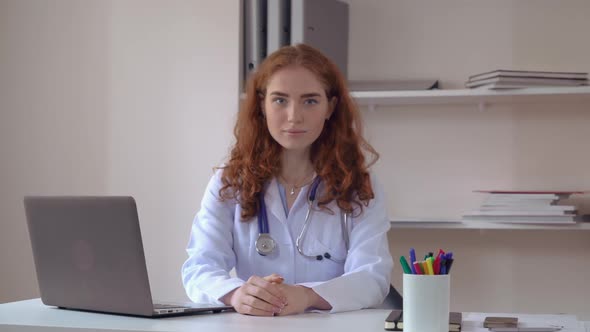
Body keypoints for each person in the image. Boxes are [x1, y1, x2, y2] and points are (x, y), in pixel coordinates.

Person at [181, 44, 393, 316]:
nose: (294, 116)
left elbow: (372, 277)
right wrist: (237, 294)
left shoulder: (360, 185)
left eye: (310, 101)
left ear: (331, 107)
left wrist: (307, 296)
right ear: (261, 105)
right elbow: (199, 267)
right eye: (280, 100)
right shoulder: (230, 181)